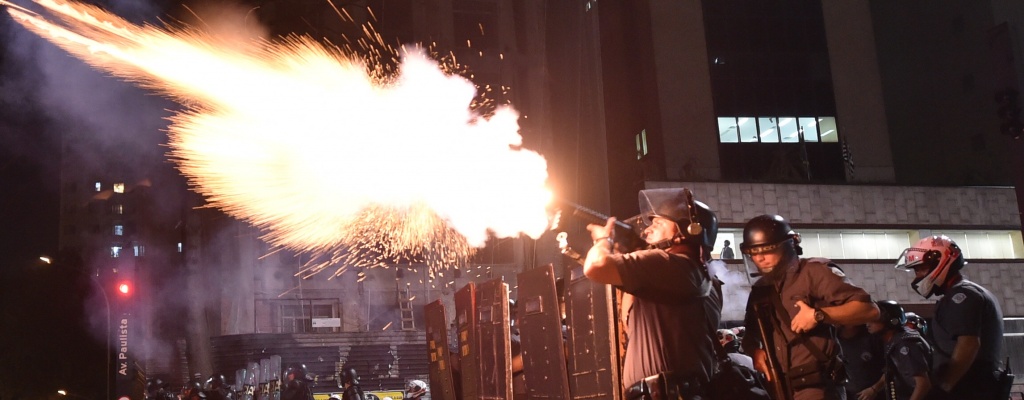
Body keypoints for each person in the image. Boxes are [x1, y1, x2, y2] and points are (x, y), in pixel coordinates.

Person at [584, 187, 722, 399]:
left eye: (658, 223)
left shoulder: (672, 265)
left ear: (684, 231)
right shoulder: (693, 273)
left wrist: (603, 241)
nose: (647, 231)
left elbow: (596, 266)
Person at [740, 214, 879, 400]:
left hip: (818, 387)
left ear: (788, 245)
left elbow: (869, 310)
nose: (760, 259)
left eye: (767, 250)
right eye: (753, 253)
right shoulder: (760, 289)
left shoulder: (813, 272)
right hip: (780, 388)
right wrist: (755, 352)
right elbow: (750, 335)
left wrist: (819, 315)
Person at [894, 235, 1004, 399]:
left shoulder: (961, 295)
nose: (917, 276)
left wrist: (944, 387)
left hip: (970, 388)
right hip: (975, 386)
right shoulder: (966, 293)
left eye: (920, 269)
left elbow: (969, 344)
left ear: (941, 261)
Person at [859, 300, 931, 400]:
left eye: (874, 319)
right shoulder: (893, 340)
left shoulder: (905, 344)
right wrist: (874, 389)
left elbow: (923, 384)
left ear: (890, 320)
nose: (867, 324)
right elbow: (892, 370)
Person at [836, 324, 884, 400]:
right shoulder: (834, 340)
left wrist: (874, 389)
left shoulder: (872, 337)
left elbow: (890, 367)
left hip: (873, 395)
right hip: (845, 395)